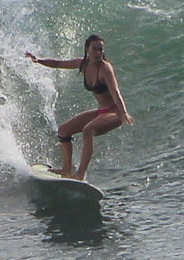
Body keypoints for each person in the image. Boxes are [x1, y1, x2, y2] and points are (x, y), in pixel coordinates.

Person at [25, 35, 134, 179]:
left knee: (88, 130)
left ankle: (80, 174)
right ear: (87, 49)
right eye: (94, 49)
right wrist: (38, 60)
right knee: (63, 130)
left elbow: (115, 92)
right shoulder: (83, 64)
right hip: (101, 111)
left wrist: (124, 112)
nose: (98, 53)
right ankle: (66, 170)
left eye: (100, 50)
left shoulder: (105, 68)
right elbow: (58, 64)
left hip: (115, 113)